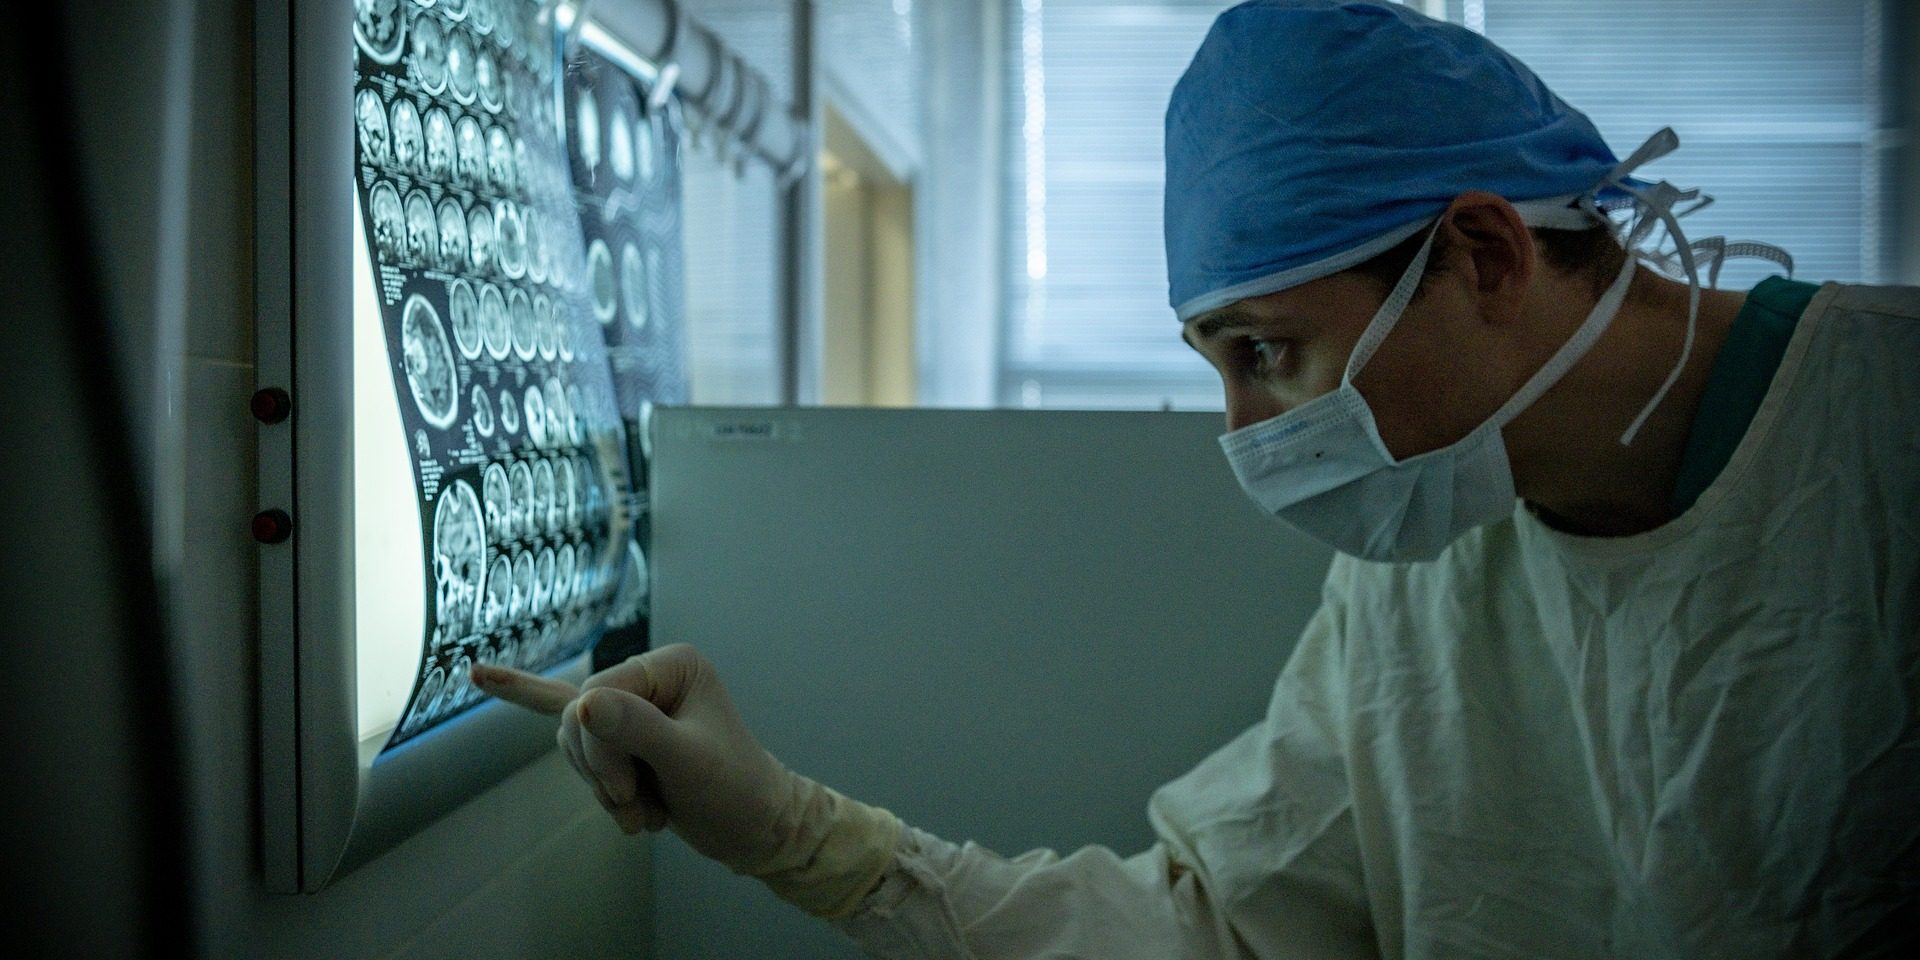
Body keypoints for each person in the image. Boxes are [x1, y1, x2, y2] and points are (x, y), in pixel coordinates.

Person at [473, 1, 1919, 955]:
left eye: (1269, 351)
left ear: (1484, 255)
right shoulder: (1421, 587)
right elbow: (1210, 933)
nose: (1242, 427)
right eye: (1214, 361)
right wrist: (788, 828)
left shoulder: (1882, 438)